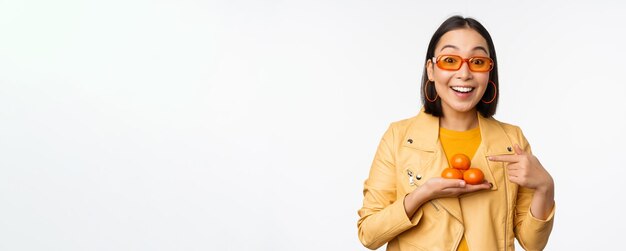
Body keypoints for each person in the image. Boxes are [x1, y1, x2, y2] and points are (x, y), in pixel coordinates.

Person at [357, 16, 555, 251]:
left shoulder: (512, 140)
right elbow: (369, 234)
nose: (464, 73)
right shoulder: (398, 137)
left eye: (478, 62)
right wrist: (423, 194)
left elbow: (533, 244)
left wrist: (546, 187)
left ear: (489, 72)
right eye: (450, 60)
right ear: (431, 70)